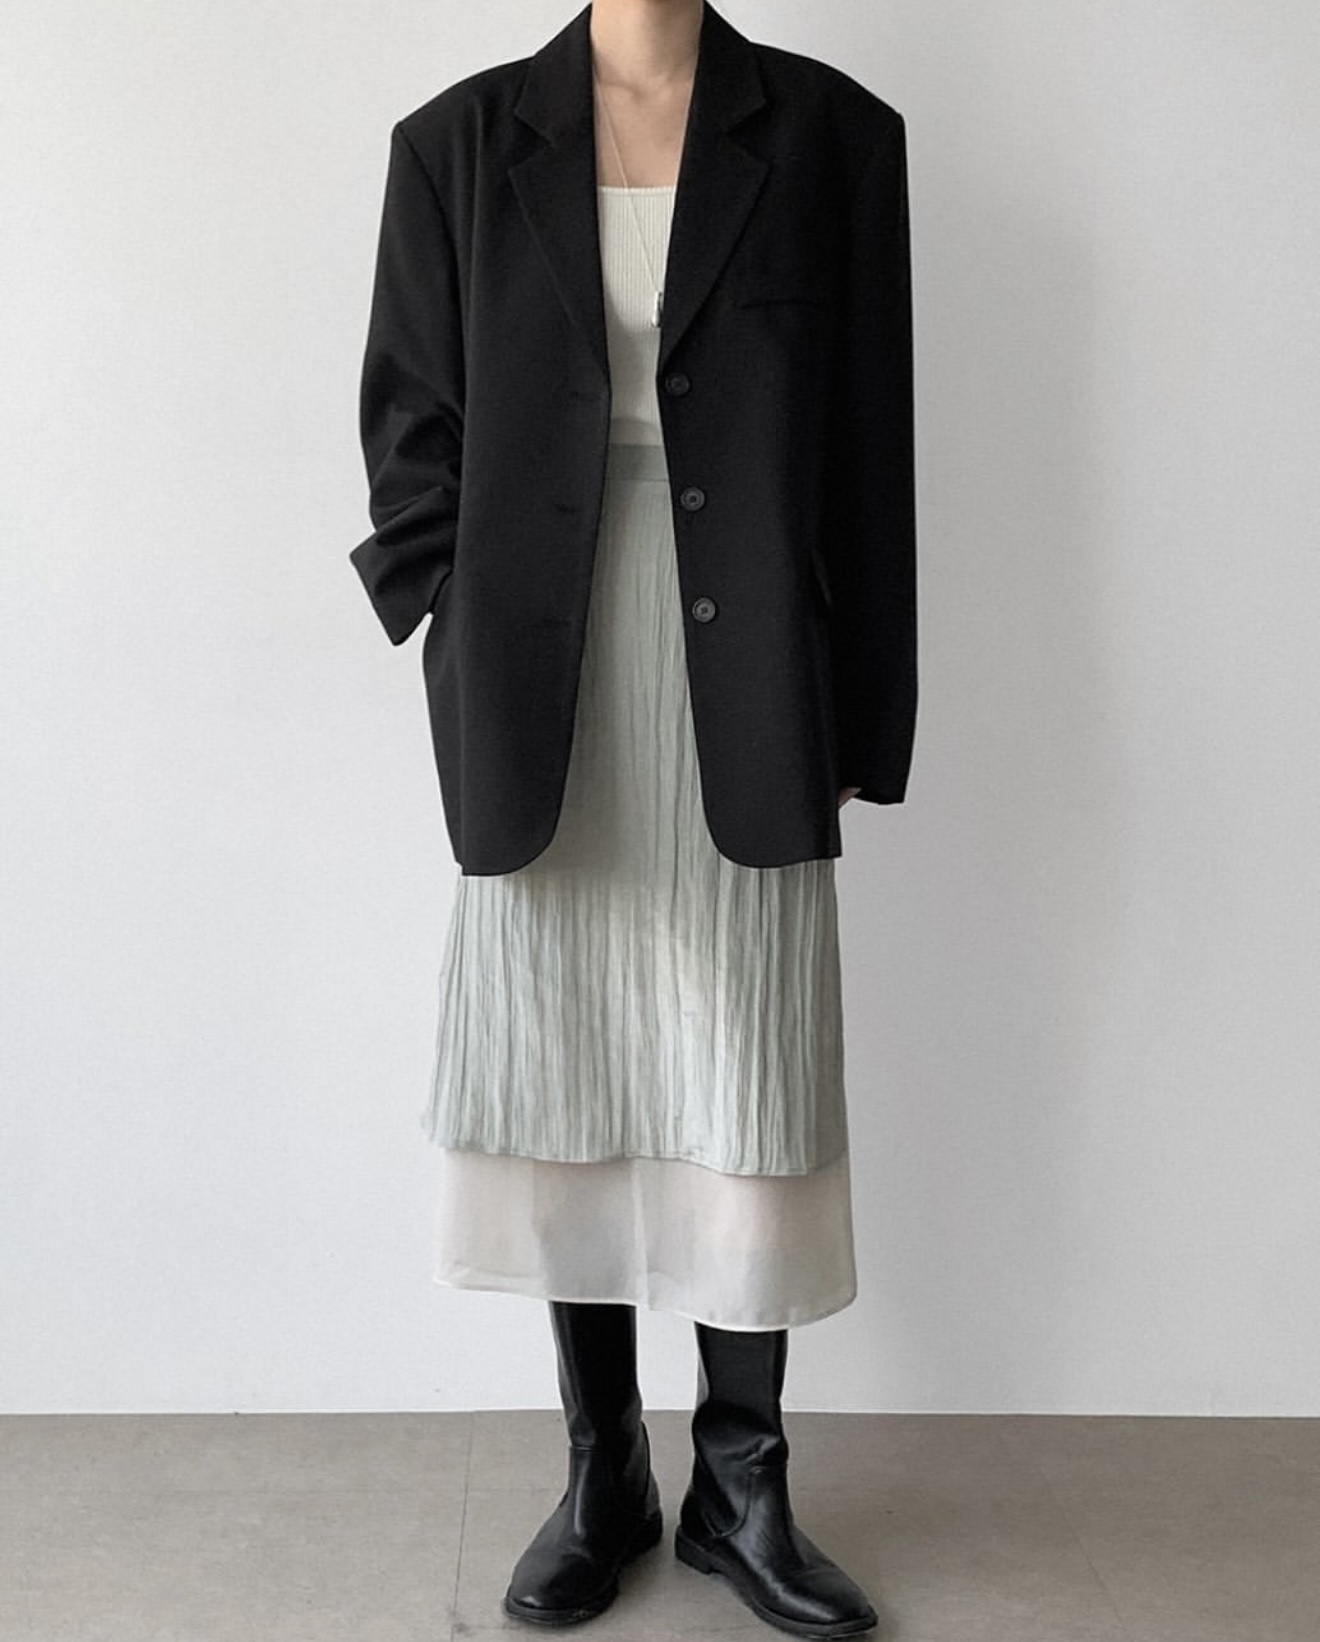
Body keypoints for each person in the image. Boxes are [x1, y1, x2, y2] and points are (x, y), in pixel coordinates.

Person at [350, 1, 916, 1635]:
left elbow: (869, 452)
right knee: (569, 1044)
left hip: (752, 665)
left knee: (747, 1046)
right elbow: (409, 421)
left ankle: (744, 1483)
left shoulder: (833, 137)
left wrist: (865, 710)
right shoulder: (457, 146)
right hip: (544, 664)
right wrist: (447, 609)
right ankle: (603, 1470)